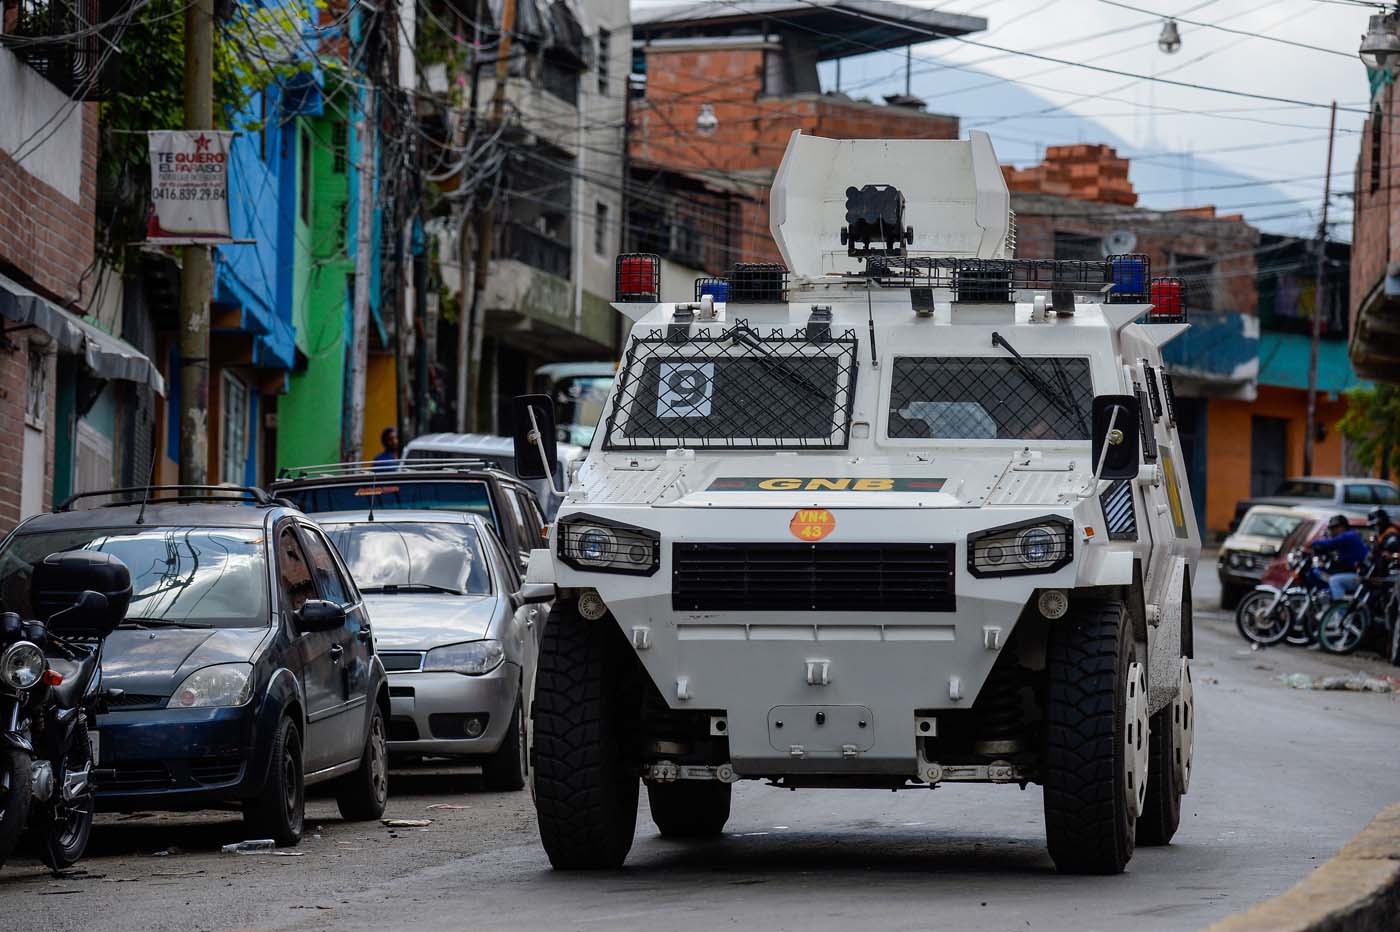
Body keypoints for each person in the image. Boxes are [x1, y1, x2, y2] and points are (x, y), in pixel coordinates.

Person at [1309, 514, 1369, 601]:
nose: (1332, 531)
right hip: (1353, 572)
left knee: (1334, 580)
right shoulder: (1347, 537)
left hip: (1359, 575)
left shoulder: (1348, 536)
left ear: (1343, 527)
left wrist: (1312, 544)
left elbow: (1328, 544)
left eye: (1335, 528)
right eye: (1331, 528)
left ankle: (1340, 610)